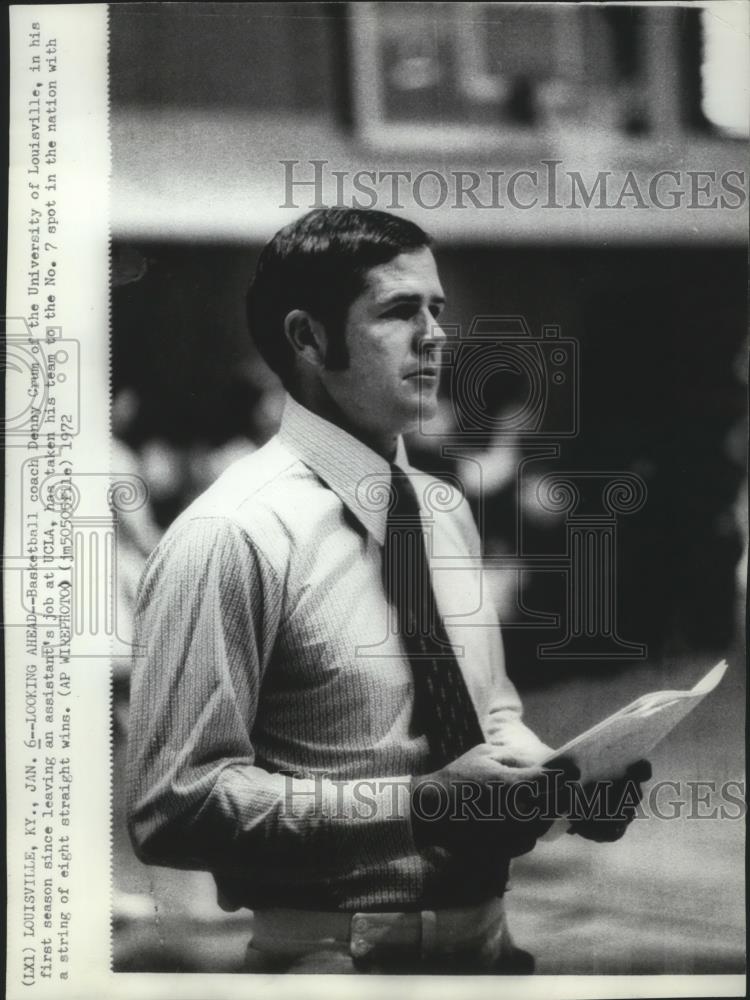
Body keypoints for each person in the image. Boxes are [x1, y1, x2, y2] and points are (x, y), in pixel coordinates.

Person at [126, 207, 649, 975]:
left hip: (490, 942)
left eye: (437, 308)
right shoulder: (233, 534)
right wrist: (419, 805)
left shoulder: (442, 512)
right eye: (400, 310)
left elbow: (489, 714)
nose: (437, 335)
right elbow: (175, 807)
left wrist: (561, 780)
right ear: (308, 339)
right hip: (331, 959)